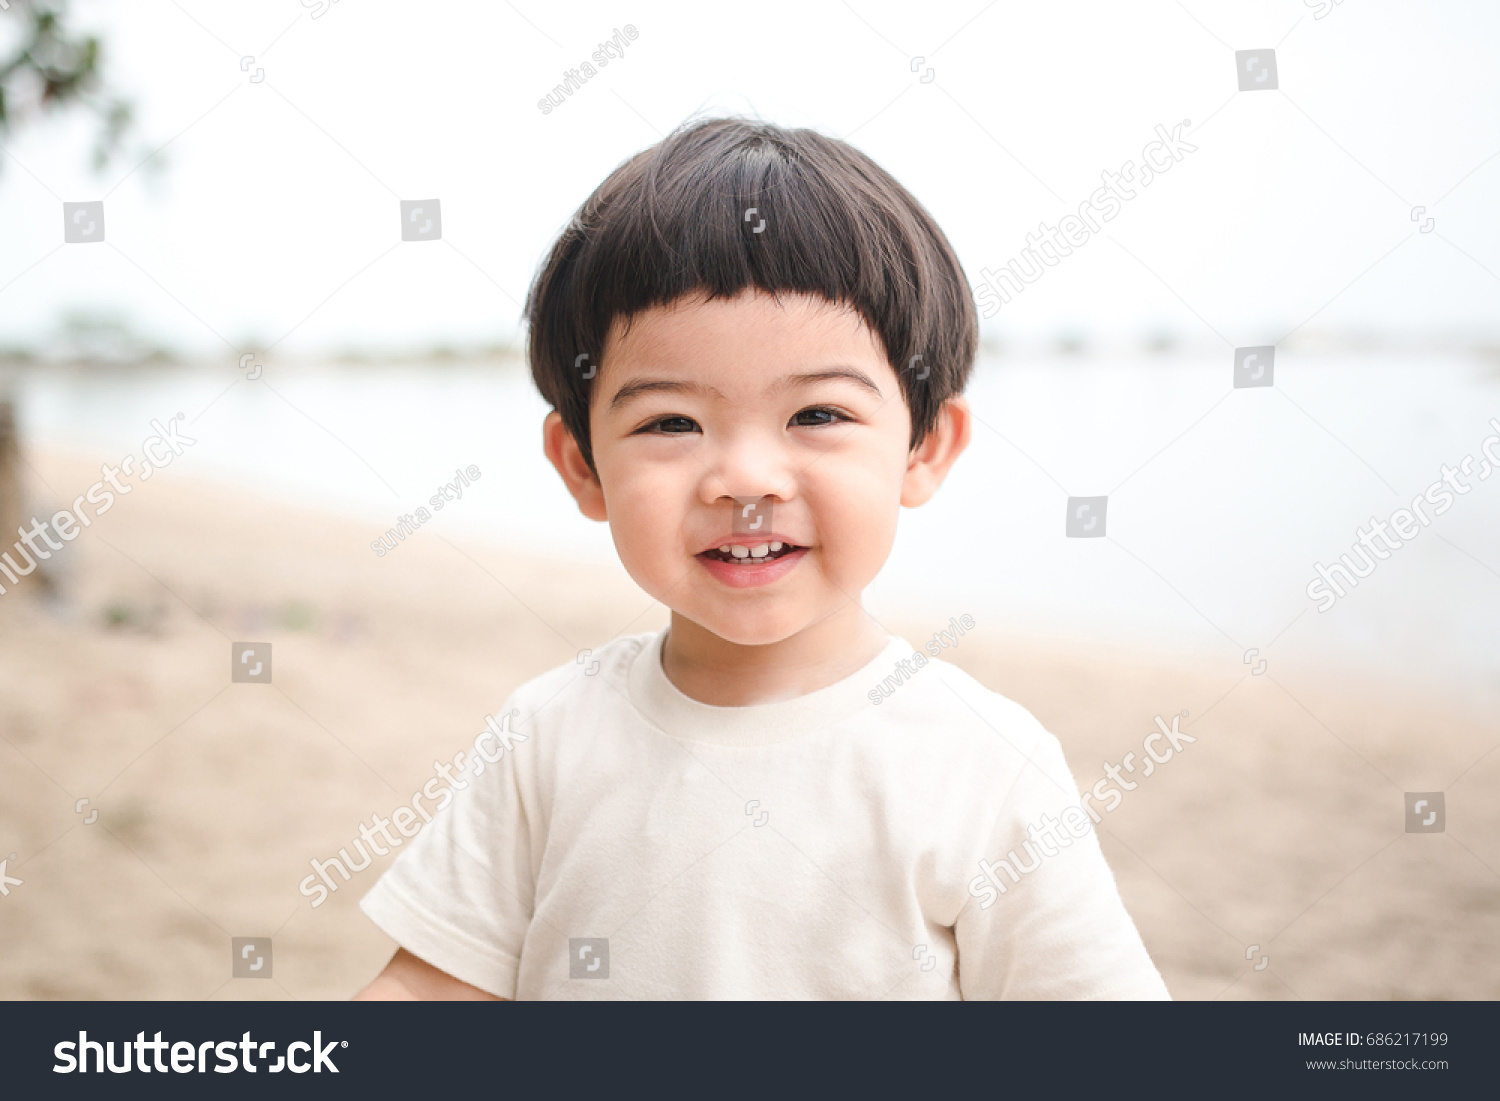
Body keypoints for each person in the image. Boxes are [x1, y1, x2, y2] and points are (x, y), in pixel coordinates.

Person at [354, 117, 1168, 1000]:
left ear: (925, 447)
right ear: (582, 464)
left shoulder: (985, 764)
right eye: (671, 422)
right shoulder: (546, 736)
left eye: (816, 415)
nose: (744, 478)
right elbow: (432, 990)